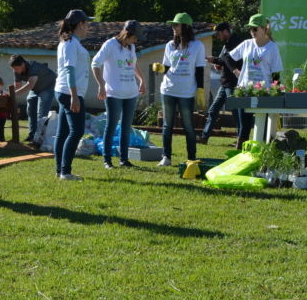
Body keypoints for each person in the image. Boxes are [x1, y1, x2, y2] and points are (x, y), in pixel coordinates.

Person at [92, 20, 146, 168]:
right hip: (113, 93)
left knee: (126, 127)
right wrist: (101, 86)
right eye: (135, 37)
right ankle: (107, 160)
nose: (136, 41)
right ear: (127, 34)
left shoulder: (131, 47)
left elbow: (133, 65)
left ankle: (124, 159)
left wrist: (141, 80)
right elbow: (95, 64)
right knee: (111, 125)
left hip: (131, 93)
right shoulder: (110, 45)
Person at [227, 13, 283, 149]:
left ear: (265, 29)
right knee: (243, 128)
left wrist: (275, 92)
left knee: (262, 129)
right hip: (244, 91)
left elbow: (276, 73)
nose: (252, 32)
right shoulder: (246, 44)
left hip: (263, 93)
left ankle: (261, 158)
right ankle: (240, 157)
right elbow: (227, 57)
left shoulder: (272, 48)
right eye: (251, 29)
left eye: (255, 29)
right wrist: (236, 71)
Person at [158, 12, 205, 167]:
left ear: (185, 26)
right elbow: (166, 67)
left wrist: (200, 89)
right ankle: (166, 157)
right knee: (167, 125)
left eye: (176, 25)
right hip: (168, 89)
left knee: (188, 126)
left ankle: (191, 158)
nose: (173, 28)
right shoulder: (169, 46)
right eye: (172, 25)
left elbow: (199, 70)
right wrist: (159, 68)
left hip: (186, 92)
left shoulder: (197, 46)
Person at [54, 9, 92, 181]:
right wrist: (74, 96)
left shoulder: (70, 42)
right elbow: (69, 71)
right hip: (69, 93)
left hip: (64, 91)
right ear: (80, 24)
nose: (88, 28)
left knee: (63, 132)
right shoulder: (70, 44)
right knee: (76, 132)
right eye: (87, 24)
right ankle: (65, 172)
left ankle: (59, 170)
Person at [199, 22, 244, 145]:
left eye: (218, 34)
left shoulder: (235, 43)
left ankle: (241, 138)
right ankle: (204, 137)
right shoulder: (228, 43)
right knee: (213, 110)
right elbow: (225, 60)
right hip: (224, 84)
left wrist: (216, 60)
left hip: (233, 84)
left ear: (225, 31)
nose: (217, 37)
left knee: (236, 112)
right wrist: (215, 60)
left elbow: (230, 61)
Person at [9, 54, 58, 148]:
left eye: (16, 68)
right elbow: (17, 87)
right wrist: (10, 95)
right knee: (30, 110)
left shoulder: (33, 67)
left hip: (48, 87)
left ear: (22, 64)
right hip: (35, 89)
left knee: (42, 113)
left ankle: (39, 139)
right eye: (13, 69)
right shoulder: (16, 70)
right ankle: (31, 136)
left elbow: (30, 85)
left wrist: (12, 94)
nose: (15, 71)